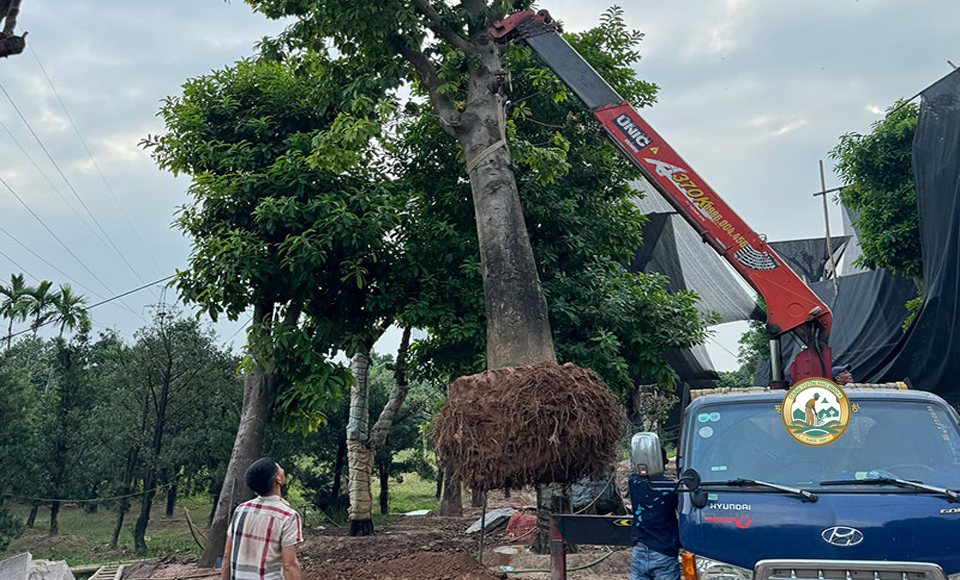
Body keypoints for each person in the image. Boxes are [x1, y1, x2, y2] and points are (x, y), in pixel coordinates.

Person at [221, 458, 302, 580]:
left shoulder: (240, 510)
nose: (282, 469)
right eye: (279, 467)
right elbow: (289, 565)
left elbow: (227, 555)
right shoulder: (288, 516)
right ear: (278, 480)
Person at [628, 446, 680, 580]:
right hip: (664, 551)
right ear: (664, 462)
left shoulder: (633, 482)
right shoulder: (670, 488)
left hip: (639, 550)